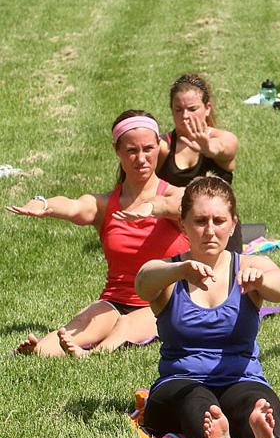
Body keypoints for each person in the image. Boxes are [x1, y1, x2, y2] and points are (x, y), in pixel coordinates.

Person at [7, 111, 187, 356]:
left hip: (164, 301)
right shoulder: (105, 204)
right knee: (78, 326)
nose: (141, 158)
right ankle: (36, 349)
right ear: (117, 151)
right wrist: (43, 204)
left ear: (159, 147)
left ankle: (92, 354)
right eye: (132, 150)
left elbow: (179, 207)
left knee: (126, 326)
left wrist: (150, 207)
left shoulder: (177, 195)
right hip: (116, 301)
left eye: (148, 149)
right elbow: (74, 206)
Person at [135, 177, 280, 438]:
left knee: (257, 402)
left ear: (233, 224)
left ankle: (259, 433)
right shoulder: (169, 272)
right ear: (182, 224)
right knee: (198, 402)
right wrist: (180, 270)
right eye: (200, 221)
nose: (210, 230)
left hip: (241, 378)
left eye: (219, 221)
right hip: (180, 382)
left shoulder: (250, 266)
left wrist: (261, 282)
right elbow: (143, 281)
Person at [158, 73, 242, 250]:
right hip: (174, 230)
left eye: (192, 108)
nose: (185, 116)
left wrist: (210, 149)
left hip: (216, 230)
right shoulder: (163, 146)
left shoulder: (223, 138)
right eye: (178, 110)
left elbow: (226, 149)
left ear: (208, 108)